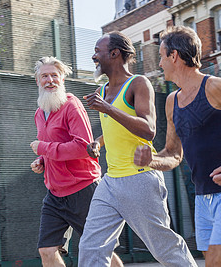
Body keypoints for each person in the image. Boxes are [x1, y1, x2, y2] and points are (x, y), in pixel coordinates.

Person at [133, 26, 221, 267]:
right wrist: (150, 160)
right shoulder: (171, 102)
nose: (160, 63)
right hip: (203, 196)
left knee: (215, 265)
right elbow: (173, 154)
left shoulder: (215, 87)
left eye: (161, 56)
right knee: (220, 264)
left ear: (174, 56)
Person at [78, 32, 197, 267]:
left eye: (97, 51)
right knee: (90, 247)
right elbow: (116, 127)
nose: (93, 56)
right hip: (111, 181)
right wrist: (99, 142)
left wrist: (108, 109)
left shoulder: (138, 83)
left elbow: (148, 129)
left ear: (114, 54)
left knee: (164, 249)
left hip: (139, 180)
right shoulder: (102, 92)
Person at [29, 56, 122, 267]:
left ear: (62, 79)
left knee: (100, 249)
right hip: (55, 193)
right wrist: (42, 161)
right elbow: (53, 147)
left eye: (55, 75)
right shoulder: (39, 113)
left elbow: (84, 147)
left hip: (83, 189)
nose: (50, 80)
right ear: (37, 81)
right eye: (45, 76)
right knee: (46, 250)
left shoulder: (72, 105)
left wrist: (44, 148)